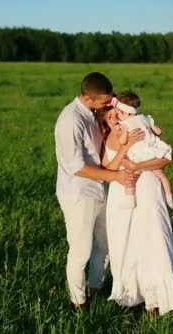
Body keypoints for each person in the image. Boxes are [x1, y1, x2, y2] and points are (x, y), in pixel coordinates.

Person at [54, 72, 143, 309]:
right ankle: (78, 302)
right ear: (86, 97)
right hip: (78, 194)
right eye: (104, 102)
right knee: (81, 250)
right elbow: (77, 167)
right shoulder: (70, 121)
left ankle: (96, 287)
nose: (108, 104)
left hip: (101, 189)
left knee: (106, 243)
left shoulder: (94, 112)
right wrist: (116, 177)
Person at [99, 94, 173, 315]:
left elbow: (166, 158)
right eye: (110, 114)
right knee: (130, 242)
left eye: (117, 113)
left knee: (155, 237)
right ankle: (142, 296)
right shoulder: (111, 137)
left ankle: (161, 297)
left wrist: (138, 165)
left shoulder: (136, 129)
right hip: (124, 192)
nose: (114, 117)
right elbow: (107, 168)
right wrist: (129, 158)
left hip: (148, 188)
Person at [110, 92, 173, 209]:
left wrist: (121, 133)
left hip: (139, 154)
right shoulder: (145, 118)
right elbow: (159, 131)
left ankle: (130, 199)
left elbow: (122, 141)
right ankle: (169, 198)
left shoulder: (125, 124)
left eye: (118, 113)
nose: (117, 115)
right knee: (162, 176)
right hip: (153, 151)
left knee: (132, 176)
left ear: (125, 112)